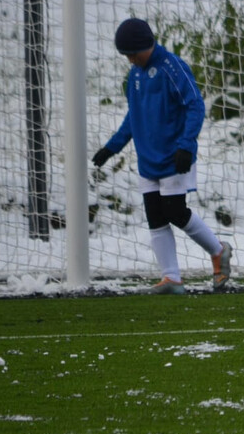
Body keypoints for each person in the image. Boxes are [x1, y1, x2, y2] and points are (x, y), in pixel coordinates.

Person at [91, 18, 232, 294]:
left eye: (133, 53)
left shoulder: (172, 67)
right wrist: (112, 147)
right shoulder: (135, 75)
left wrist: (186, 145)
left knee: (175, 212)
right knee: (155, 217)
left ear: (147, 45)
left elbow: (195, 106)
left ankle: (218, 251)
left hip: (173, 155)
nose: (130, 60)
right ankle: (172, 278)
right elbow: (135, 116)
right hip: (148, 160)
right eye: (126, 56)